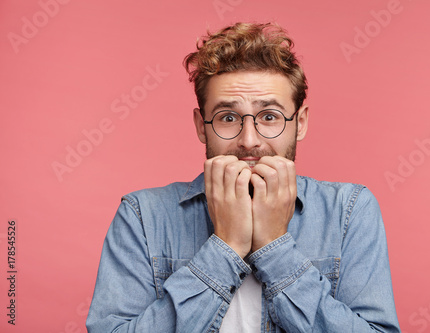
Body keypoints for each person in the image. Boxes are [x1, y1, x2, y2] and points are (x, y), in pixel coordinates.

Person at [86, 22, 400, 332]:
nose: (249, 140)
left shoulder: (350, 210)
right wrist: (226, 246)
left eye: (269, 116)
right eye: (227, 117)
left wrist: (275, 246)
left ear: (300, 123)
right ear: (201, 125)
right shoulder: (143, 216)